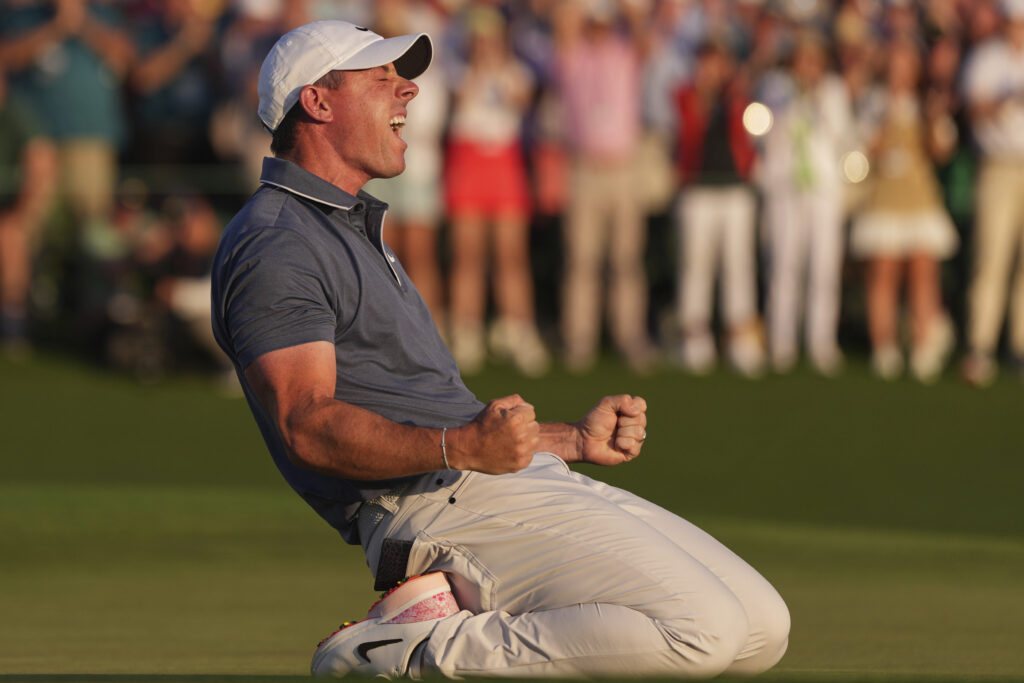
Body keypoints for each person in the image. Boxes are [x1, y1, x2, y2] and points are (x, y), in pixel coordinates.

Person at [211, 20, 788, 679]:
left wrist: (568, 439)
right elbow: (305, 425)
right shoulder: (277, 240)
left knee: (761, 626)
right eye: (382, 80)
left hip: (483, 482)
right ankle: (399, 653)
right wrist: (459, 449)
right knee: (702, 631)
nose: (408, 92)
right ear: (317, 102)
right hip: (428, 505)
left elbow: (430, 412)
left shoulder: (345, 223)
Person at [443, 5, 550, 377]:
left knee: (511, 255)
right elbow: (458, 100)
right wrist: (479, 66)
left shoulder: (516, 70)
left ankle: (519, 330)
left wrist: (497, 66)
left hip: (504, 164)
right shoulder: (457, 69)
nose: (485, 44)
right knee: (468, 255)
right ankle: (467, 332)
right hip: (467, 162)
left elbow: (521, 100)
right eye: (480, 38)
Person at [850, 38, 958, 382]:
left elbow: (941, 151)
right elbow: (866, 150)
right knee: (883, 271)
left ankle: (923, 344)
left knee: (923, 271)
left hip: (919, 198)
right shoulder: (874, 103)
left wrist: (933, 117)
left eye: (906, 66)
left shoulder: (926, 106)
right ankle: (884, 346)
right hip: (884, 197)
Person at [759, 30, 858, 376]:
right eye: (802, 59)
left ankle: (821, 343)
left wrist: (816, 100)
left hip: (823, 190)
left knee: (823, 267)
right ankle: (782, 343)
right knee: (784, 265)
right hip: (786, 187)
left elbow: (842, 136)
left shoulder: (832, 91)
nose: (808, 66)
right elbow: (765, 133)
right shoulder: (775, 87)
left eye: (813, 59)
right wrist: (793, 102)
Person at [672, 39, 764, 378]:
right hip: (698, 187)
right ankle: (694, 338)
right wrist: (705, 93)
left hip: (734, 190)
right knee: (696, 263)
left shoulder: (740, 96)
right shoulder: (686, 95)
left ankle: (741, 338)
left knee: (738, 263)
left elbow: (749, 135)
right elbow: (687, 128)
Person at [960, 0, 1024, 386]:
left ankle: (1020, 346)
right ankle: (980, 344)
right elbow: (974, 108)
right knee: (991, 256)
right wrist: (1004, 102)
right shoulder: (986, 58)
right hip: (999, 165)